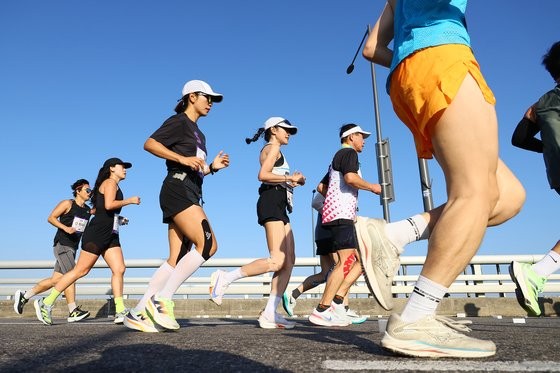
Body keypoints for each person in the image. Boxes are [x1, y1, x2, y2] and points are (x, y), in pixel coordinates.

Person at [362, 0, 526, 358]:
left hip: (412, 72)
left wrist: (411, 53)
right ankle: (417, 318)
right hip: (443, 61)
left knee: (507, 195)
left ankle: (394, 234)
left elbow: (372, 49)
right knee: (474, 193)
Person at [123, 80, 229, 333]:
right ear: (192, 96)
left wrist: (211, 168)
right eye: (207, 97)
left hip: (188, 190)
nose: (211, 103)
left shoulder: (198, 133)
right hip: (177, 189)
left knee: (177, 257)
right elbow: (149, 143)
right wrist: (181, 158)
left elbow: (196, 167)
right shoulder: (179, 121)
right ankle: (163, 300)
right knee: (209, 245)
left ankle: (138, 311)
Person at [209, 116, 305, 329]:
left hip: (280, 204)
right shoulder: (271, 148)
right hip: (270, 202)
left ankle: (271, 311)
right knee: (277, 260)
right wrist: (289, 179)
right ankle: (224, 278)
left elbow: (275, 176)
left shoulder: (277, 151)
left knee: (289, 261)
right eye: (285, 129)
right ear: (273, 130)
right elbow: (262, 175)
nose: (288, 133)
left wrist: (293, 180)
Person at [34, 158, 140, 325]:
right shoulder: (110, 182)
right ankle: (46, 303)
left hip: (110, 233)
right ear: (112, 168)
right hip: (97, 233)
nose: (125, 170)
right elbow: (110, 204)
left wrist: (119, 219)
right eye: (122, 167)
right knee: (81, 271)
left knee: (119, 268)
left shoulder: (114, 185)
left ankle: (120, 310)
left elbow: (103, 210)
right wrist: (130, 201)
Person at [307, 123, 381, 327]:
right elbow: (350, 178)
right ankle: (322, 309)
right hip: (341, 215)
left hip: (334, 214)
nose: (363, 140)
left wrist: (333, 199)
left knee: (359, 257)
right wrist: (372, 187)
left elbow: (321, 186)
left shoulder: (336, 158)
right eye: (361, 136)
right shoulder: (349, 154)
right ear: (351, 137)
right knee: (347, 260)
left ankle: (337, 301)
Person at [510, 41, 560, 317]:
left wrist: (549, 148)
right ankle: (535, 274)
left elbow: (518, 139)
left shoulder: (539, 104)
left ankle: (537, 273)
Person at [282, 188, 368, 325]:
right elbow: (316, 202)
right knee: (345, 268)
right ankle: (342, 308)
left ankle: (293, 295)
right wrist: (334, 217)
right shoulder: (336, 186)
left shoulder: (342, 191)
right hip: (330, 233)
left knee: (326, 273)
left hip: (323, 232)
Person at [14, 179, 92, 323]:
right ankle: (72, 310)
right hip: (62, 244)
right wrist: (65, 228)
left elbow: (101, 214)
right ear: (78, 190)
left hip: (73, 247)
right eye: (87, 190)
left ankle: (25, 296)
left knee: (56, 280)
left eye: (91, 191)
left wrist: (117, 220)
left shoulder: (87, 210)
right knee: (71, 275)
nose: (90, 193)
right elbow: (51, 218)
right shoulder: (68, 204)